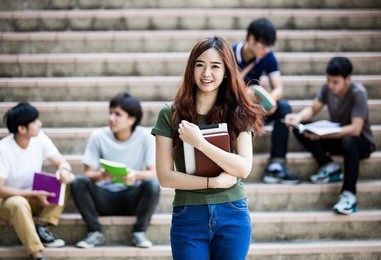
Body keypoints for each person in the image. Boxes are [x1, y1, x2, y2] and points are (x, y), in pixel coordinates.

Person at [152, 36, 265, 260]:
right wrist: (212, 183)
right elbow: (165, 177)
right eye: (200, 65)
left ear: (226, 71)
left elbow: (243, 168)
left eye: (215, 66)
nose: (206, 74)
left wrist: (199, 142)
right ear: (191, 69)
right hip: (189, 215)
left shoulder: (239, 113)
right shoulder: (170, 114)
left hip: (232, 212)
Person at [284, 57, 376, 214]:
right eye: (328, 80)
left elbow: (355, 129)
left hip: (361, 143)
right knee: (301, 128)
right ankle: (330, 166)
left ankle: (349, 195)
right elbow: (313, 110)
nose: (331, 85)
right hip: (338, 137)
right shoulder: (327, 88)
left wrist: (323, 135)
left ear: (348, 79)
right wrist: (298, 117)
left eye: (335, 82)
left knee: (349, 141)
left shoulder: (358, 93)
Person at [70, 92, 160, 249]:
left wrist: (135, 175)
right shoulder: (98, 136)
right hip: (104, 198)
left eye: (117, 114)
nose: (111, 118)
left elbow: (154, 173)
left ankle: (139, 232)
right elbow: (87, 173)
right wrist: (101, 175)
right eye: (110, 112)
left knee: (152, 185)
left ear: (131, 119)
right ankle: (94, 231)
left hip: (132, 197)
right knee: (78, 182)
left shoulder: (145, 136)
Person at [0, 102, 74, 260]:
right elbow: (0, 189)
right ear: (22, 129)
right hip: (8, 202)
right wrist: (31, 193)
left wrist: (64, 170)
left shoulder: (39, 138)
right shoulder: (3, 149)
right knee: (18, 202)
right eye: (34, 121)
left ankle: (42, 225)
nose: (39, 123)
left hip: (35, 197)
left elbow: (62, 162)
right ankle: (37, 254)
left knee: (69, 179)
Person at [232, 18, 299, 184]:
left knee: (283, 107)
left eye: (269, 46)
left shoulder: (268, 56)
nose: (266, 50)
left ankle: (276, 165)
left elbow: (279, 89)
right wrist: (243, 95)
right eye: (263, 45)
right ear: (251, 39)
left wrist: (270, 100)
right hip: (233, 110)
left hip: (255, 110)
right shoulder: (229, 54)